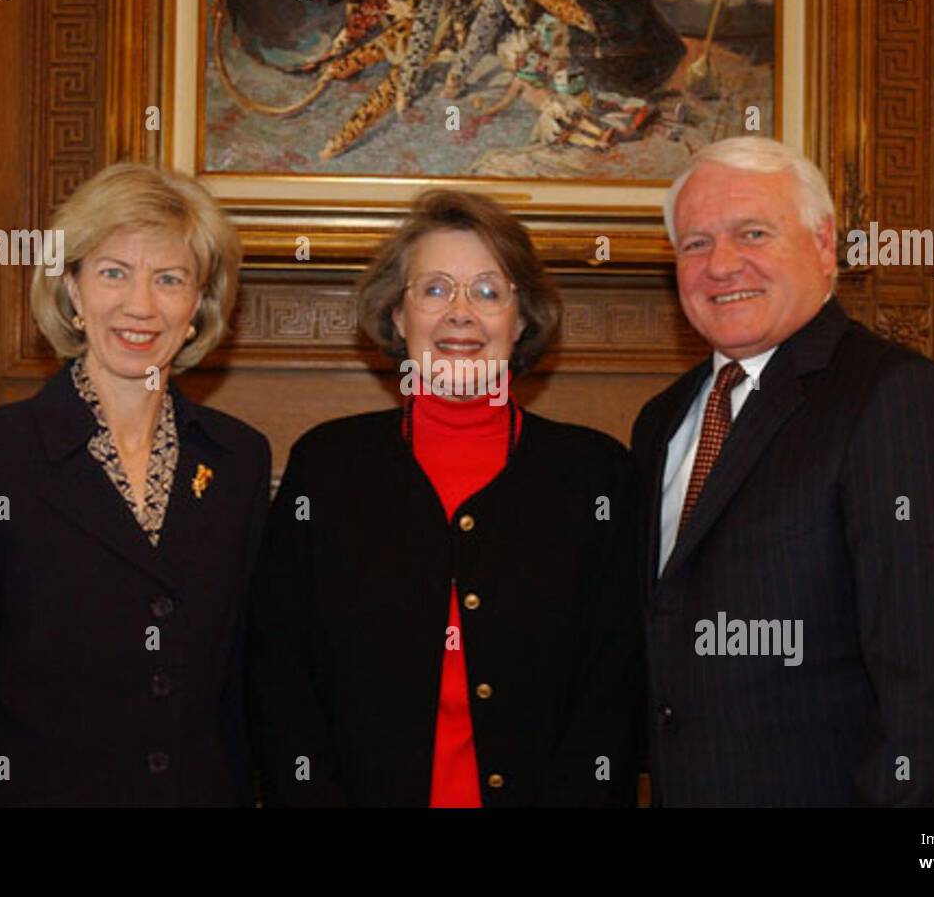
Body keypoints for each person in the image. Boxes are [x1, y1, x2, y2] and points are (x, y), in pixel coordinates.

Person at [0, 163, 271, 806]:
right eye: (113, 272)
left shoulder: (237, 461)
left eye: (169, 279)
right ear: (72, 289)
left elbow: (241, 691)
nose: (140, 305)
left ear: (199, 305)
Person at [632, 137, 934, 806]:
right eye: (694, 244)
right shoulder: (663, 420)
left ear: (823, 244)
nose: (721, 264)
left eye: (752, 232)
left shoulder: (899, 400)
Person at [249, 189, 641, 807]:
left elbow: (614, 693)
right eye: (433, 290)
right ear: (398, 318)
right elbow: (281, 677)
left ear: (523, 320)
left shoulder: (596, 476)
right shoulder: (327, 467)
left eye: (488, 292)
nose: (460, 314)